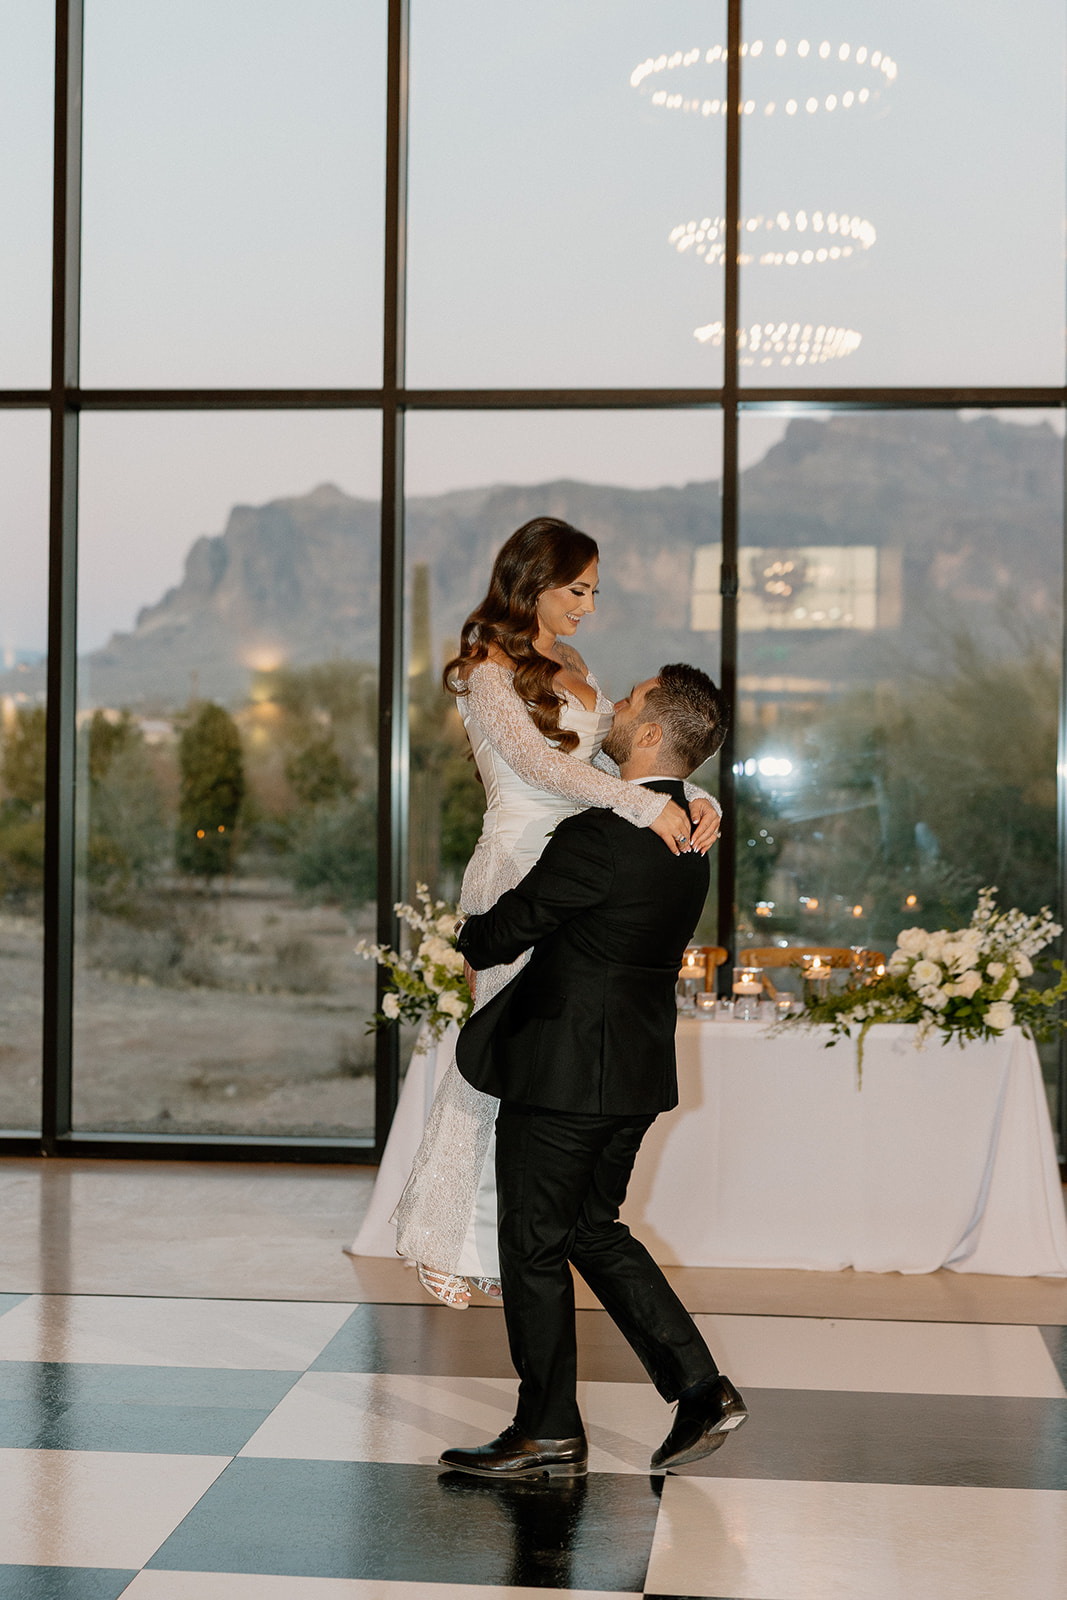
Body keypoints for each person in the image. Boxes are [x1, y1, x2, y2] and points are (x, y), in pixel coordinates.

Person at [392, 517, 721, 1308]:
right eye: (578, 589)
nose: (589, 606)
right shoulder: (483, 668)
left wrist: (699, 798)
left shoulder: (571, 663)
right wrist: (639, 811)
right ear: (532, 581)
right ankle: (445, 1240)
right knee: (494, 1050)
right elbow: (537, 764)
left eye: (595, 592)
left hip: (580, 860)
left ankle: (521, 1236)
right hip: (514, 867)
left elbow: (624, 749)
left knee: (541, 1060)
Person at [439, 663, 747, 1479]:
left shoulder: (601, 833)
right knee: (589, 1229)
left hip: (565, 1070)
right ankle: (701, 1391)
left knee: (532, 1243)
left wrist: (463, 934)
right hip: (635, 1072)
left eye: (629, 702)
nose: (609, 709)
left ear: (649, 734)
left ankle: (545, 1431)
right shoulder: (691, 830)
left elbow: (510, 927)